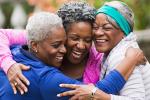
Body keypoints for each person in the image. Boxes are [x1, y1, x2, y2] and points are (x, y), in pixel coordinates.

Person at [0, 2, 146, 99]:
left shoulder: (18, 51)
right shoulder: (45, 75)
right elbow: (96, 93)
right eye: (73, 38)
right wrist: (130, 60)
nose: (81, 46)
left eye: (88, 40)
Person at [57, 1, 150, 100]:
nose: (98, 33)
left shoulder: (122, 55)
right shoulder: (115, 55)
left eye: (107, 27)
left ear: (124, 31)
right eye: (95, 27)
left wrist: (101, 96)